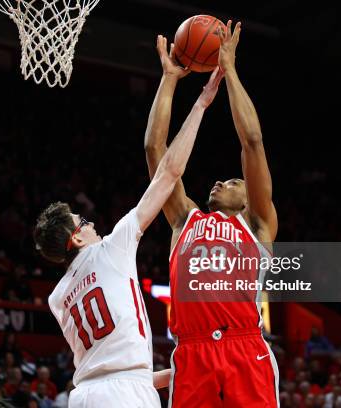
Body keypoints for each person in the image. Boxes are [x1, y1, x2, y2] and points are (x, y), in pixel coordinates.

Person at [34, 67, 224, 408]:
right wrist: (201, 103)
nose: (93, 225)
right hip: (125, 395)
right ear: (77, 239)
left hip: (84, 397)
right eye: (85, 222)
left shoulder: (58, 297)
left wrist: (173, 373)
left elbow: (107, 371)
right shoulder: (111, 247)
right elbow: (169, 172)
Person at [144, 21, 279, 406]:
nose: (222, 182)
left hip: (244, 347)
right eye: (222, 180)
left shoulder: (257, 224)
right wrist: (169, 79)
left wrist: (230, 70)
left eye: (234, 181)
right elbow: (155, 149)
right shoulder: (184, 220)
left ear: (249, 199)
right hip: (192, 351)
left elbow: (252, 141)